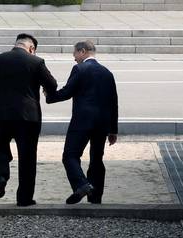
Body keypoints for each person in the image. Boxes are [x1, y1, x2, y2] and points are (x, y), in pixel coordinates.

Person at [0, 33, 57, 206]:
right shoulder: (36, 62)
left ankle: (1, 174)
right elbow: (52, 84)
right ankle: (24, 198)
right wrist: (47, 91)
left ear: (15, 44)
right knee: (28, 158)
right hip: (28, 117)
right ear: (31, 48)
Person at [45, 41, 118, 204]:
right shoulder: (107, 72)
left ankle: (82, 184)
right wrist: (113, 129)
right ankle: (95, 196)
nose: (74, 58)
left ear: (83, 51)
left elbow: (67, 92)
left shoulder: (79, 69)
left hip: (82, 120)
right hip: (102, 123)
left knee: (70, 155)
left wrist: (50, 97)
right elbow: (114, 102)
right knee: (97, 159)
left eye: (75, 54)